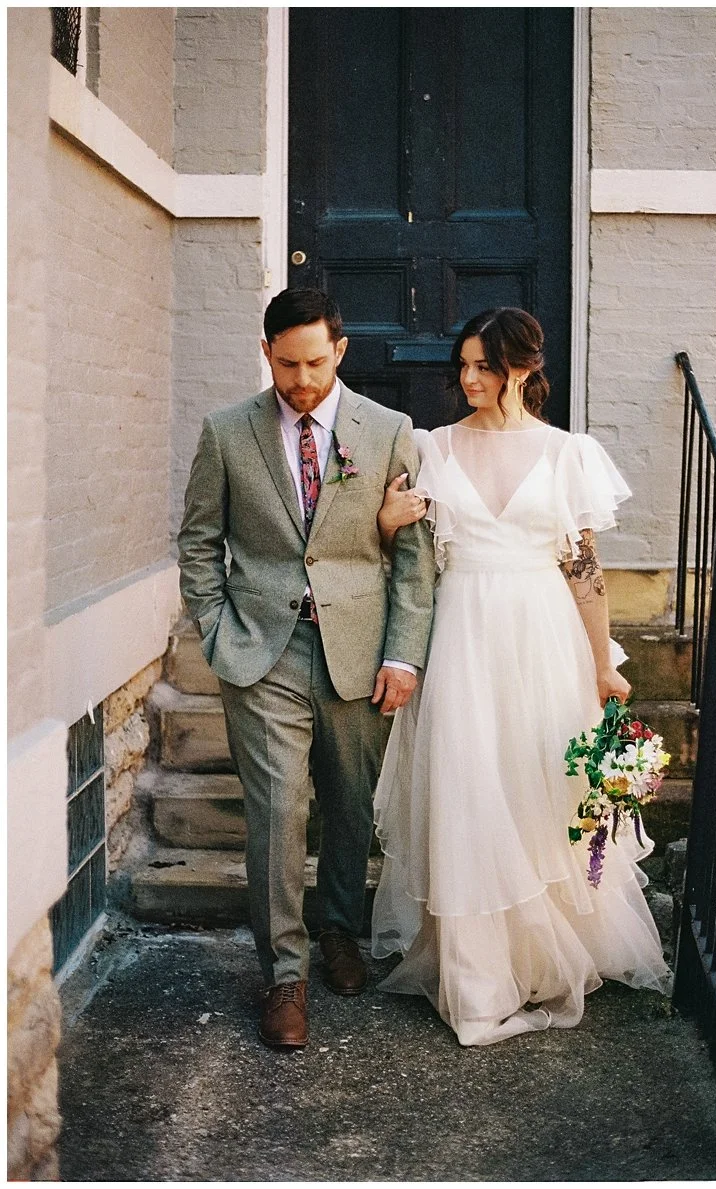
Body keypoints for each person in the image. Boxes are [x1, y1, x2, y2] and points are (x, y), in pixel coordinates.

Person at [371, 307, 672, 1046]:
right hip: (464, 636)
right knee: (470, 791)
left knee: (540, 792)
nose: (469, 379)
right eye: (464, 366)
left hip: (544, 639)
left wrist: (605, 663)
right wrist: (384, 520)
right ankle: (477, 981)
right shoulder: (432, 447)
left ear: (525, 368)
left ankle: (542, 958)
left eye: (484, 366)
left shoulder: (568, 454)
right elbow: (402, 556)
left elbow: (586, 570)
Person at [178, 288, 435, 1049]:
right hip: (263, 650)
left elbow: (415, 556)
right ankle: (283, 975)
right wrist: (219, 631)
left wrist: (403, 652)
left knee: (352, 804)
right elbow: (198, 543)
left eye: (315, 362)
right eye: (286, 363)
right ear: (267, 353)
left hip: (358, 647)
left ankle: (340, 933)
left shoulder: (388, 433)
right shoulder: (227, 433)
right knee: (280, 810)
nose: (301, 379)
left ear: (342, 350)